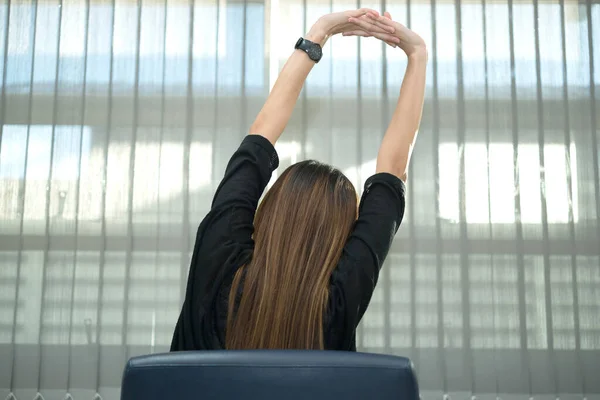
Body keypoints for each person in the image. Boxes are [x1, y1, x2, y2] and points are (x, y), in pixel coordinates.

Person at [170, 9, 427, 351]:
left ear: (269, 209)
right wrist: (417, 54)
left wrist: (319, 33)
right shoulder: (338, 300)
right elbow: (394, 168)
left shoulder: (218, 259)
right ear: (343, 239)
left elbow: (261, 134)